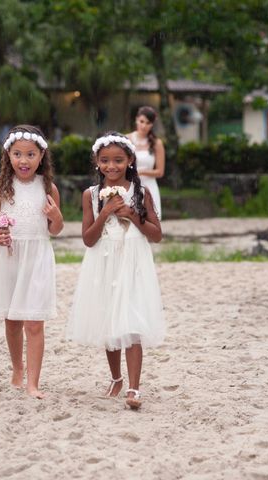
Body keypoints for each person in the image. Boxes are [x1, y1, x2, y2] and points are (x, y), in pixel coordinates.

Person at [66, 132, 165, 410]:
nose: (112, 166)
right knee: (110, 320)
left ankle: (134, 387)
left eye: (119, 160)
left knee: (131, 323)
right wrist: (106, 212)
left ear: (130, 161)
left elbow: (156, 235)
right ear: (97, 162)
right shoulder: (91, 195)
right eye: (105, 161)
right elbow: (88, 239)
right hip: (104, 261)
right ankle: (116, 378)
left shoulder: (141, 192)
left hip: (133, 262)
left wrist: (132, 215)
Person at [0, 125, 64, 398]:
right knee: (12, 319)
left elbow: (55, 229)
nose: (23, 160)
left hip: (36, 258)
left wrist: (57, 216)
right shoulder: (0, 188)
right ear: (8, 155)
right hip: (9, 257)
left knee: (34, 322)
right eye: (17, 154)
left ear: (41, 157)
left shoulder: (48, 188)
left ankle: (33, 383)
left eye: (30, 154)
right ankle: (17, 367)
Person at [128, 106, 165, 219]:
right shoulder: (127, 139)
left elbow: (160, 172)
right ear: (136, 120)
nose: (144, 126)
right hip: (131, 184)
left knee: (151, 221)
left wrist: (141, 172)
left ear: (152, 124)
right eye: (141, 121)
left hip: (149, 185)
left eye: (148, 123)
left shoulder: (157, 143)